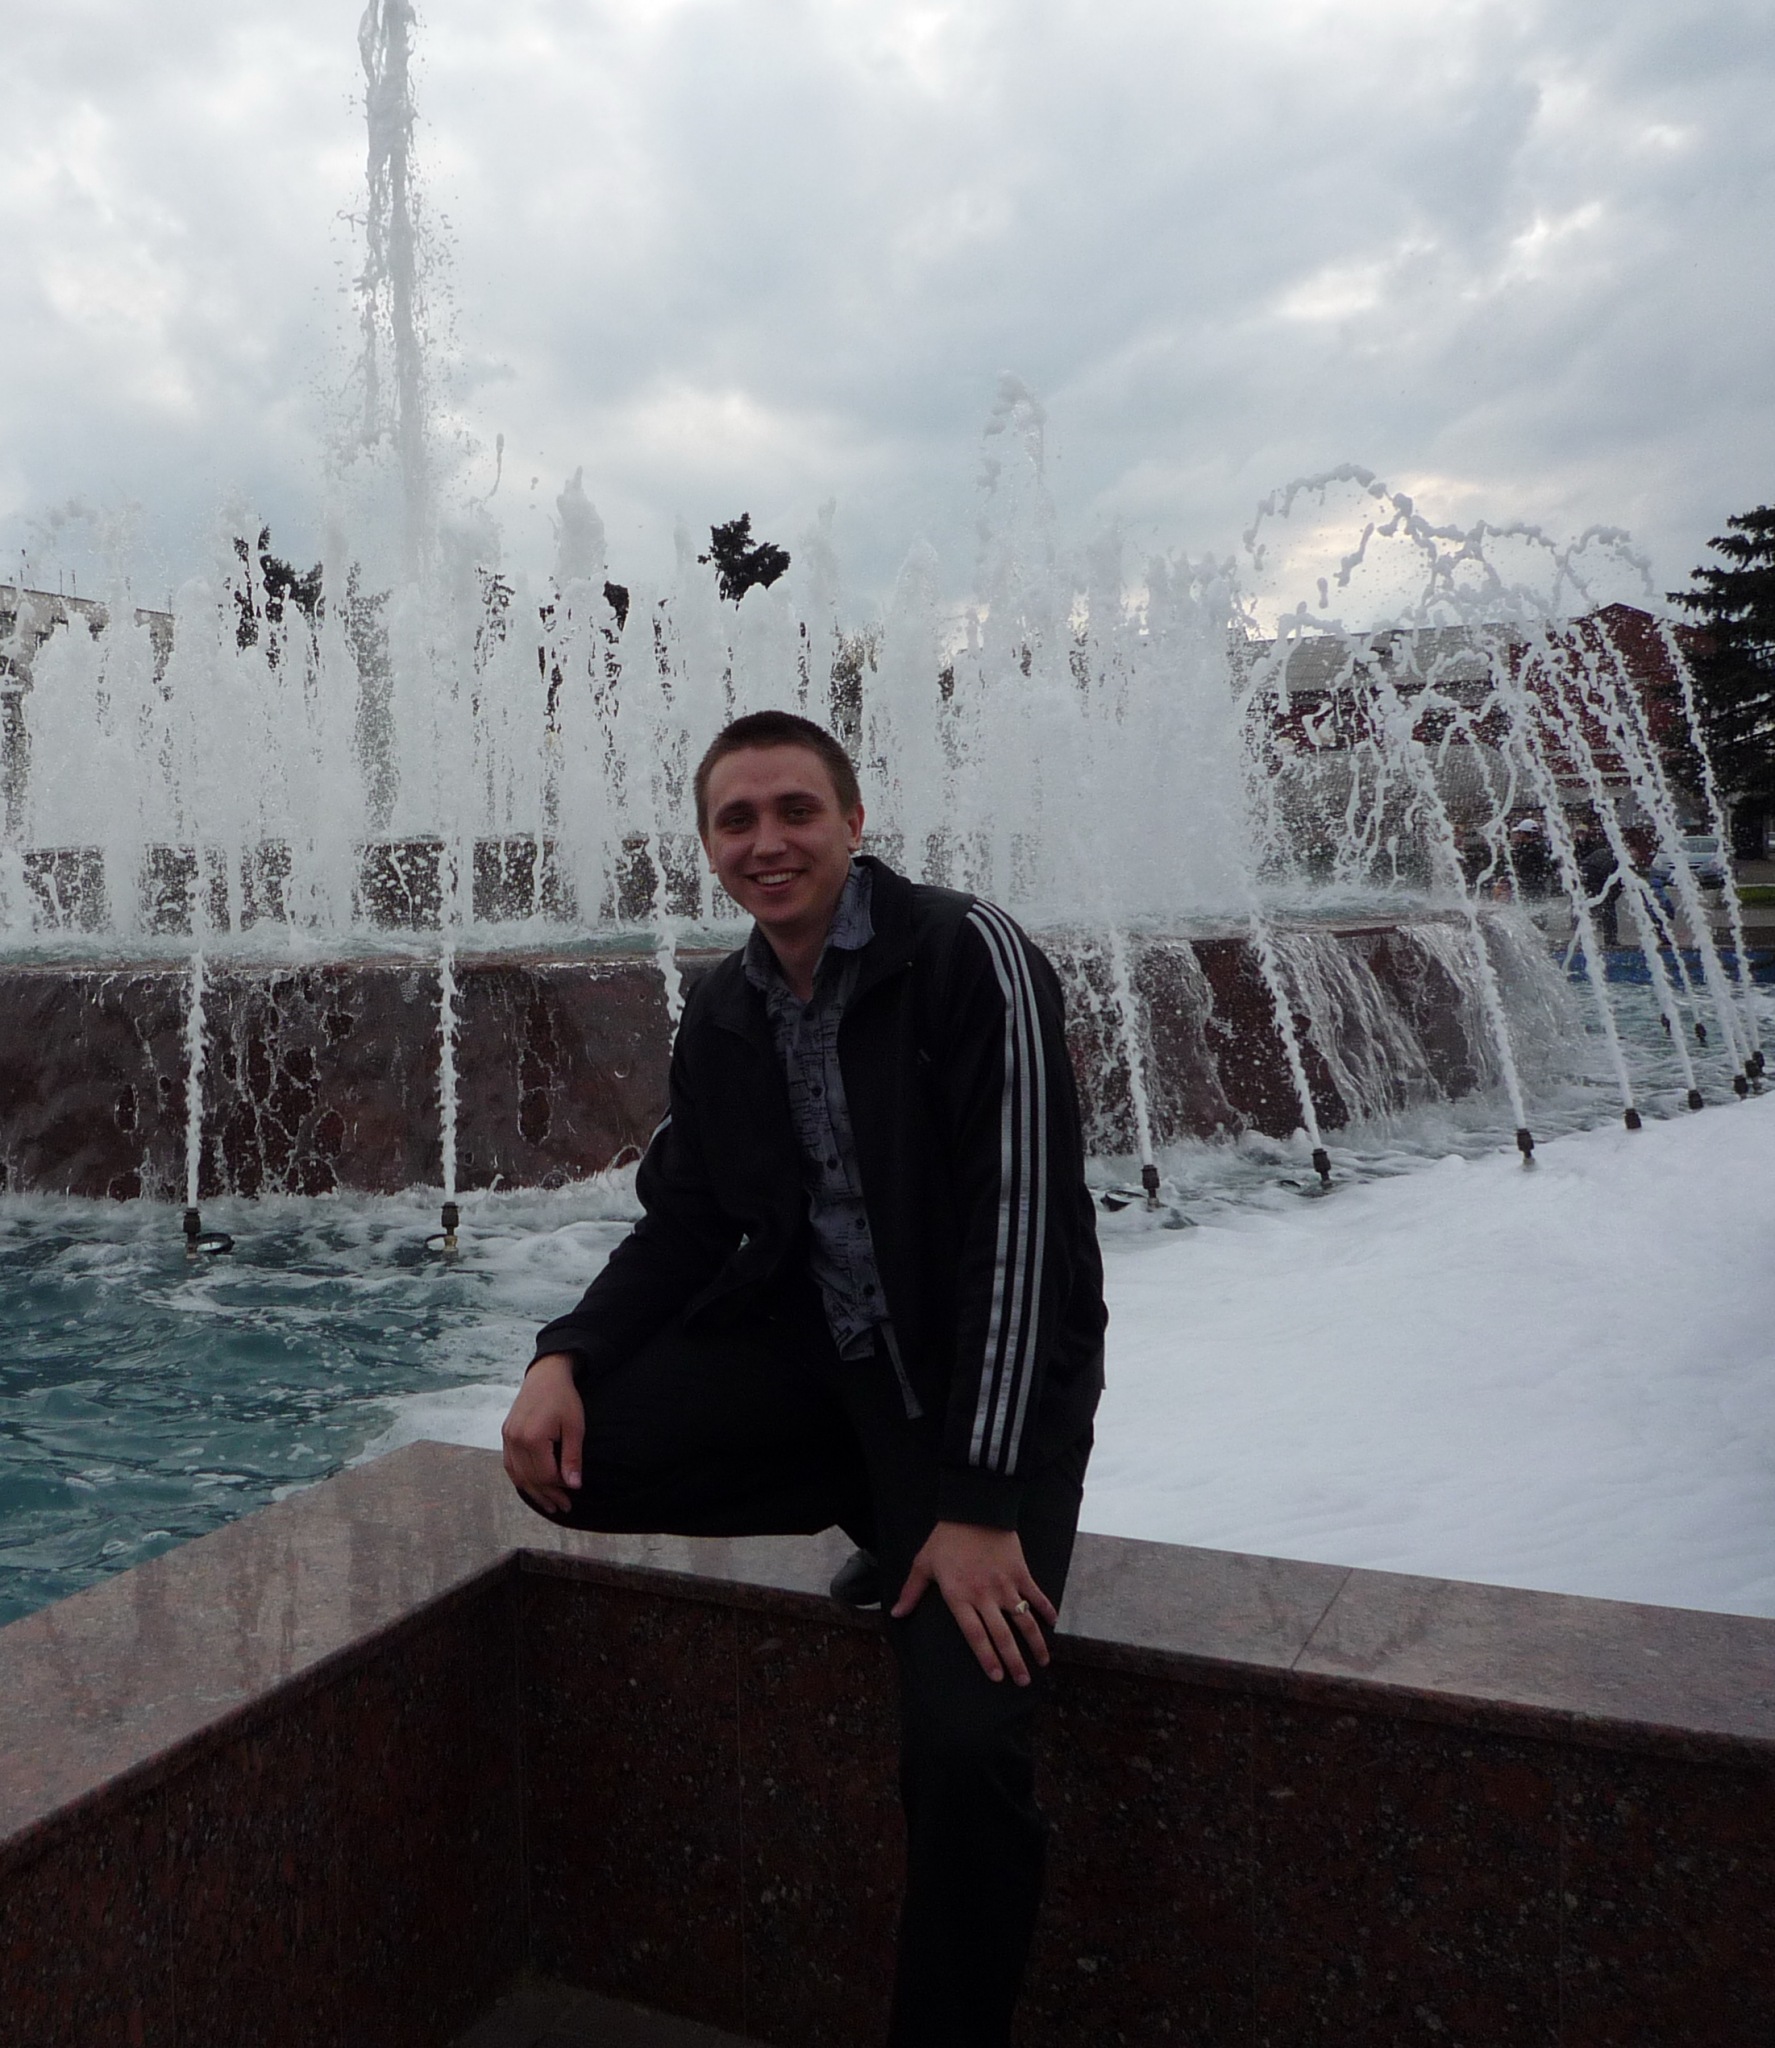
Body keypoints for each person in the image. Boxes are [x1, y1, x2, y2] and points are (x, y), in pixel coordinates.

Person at [501, 709, 1107, 2048]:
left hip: (984, 1400)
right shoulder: (728, 1008)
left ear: (854, 822)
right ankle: (873, 1504)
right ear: (708, 844)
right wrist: (564, 1355)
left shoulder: (967, 953)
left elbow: (1022, 1232)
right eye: (737, 820)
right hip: (833, 1376)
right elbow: (685, 1220)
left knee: (966, 1748)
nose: (766, 843)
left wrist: (978, 1500)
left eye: (795, 812)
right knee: (577, 1469)